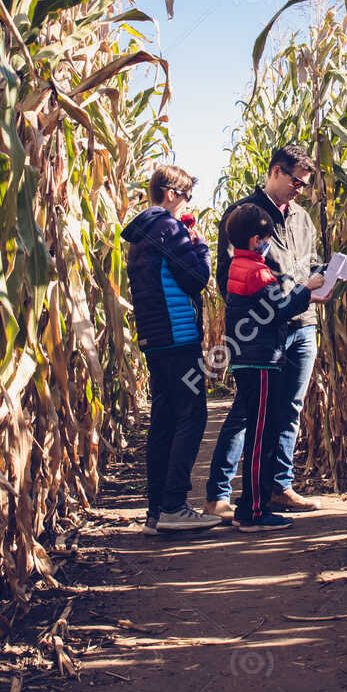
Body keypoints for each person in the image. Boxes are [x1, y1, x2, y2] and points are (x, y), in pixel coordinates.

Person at [205, 143, 323, 519]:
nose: (299, 190)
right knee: (246, 411)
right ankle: (219, 493)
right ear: (275, 172)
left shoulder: (302, 219)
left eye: (304, 185)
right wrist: (259, 313)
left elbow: (311, 262)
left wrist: (320, 284)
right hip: (263, 332)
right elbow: (227, 278)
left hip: (302, 323)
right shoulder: (245, 216)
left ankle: (278, 487)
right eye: (295, 181)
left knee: (290, 406)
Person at [122, 166, 222, 535]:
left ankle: (156, 512)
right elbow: (196, 279)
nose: (186, 204)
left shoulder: (142, 234)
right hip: (178, 338)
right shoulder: (168, 228)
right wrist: (200, 245)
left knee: (164, 421)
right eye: (186, 196)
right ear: (170, 193)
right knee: (191, 416)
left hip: (154, 340)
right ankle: (174, 505)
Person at [221, 202, 325, 528]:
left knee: (259, 432)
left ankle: (256, 505)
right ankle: (252, 511)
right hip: (261, 361)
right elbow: (278, 309)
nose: (268, 244)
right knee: (261, 436)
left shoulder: (239, 265)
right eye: (266, 238)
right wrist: (306, 291)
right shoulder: (257, 271)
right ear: (256, 240)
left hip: (249, 360)